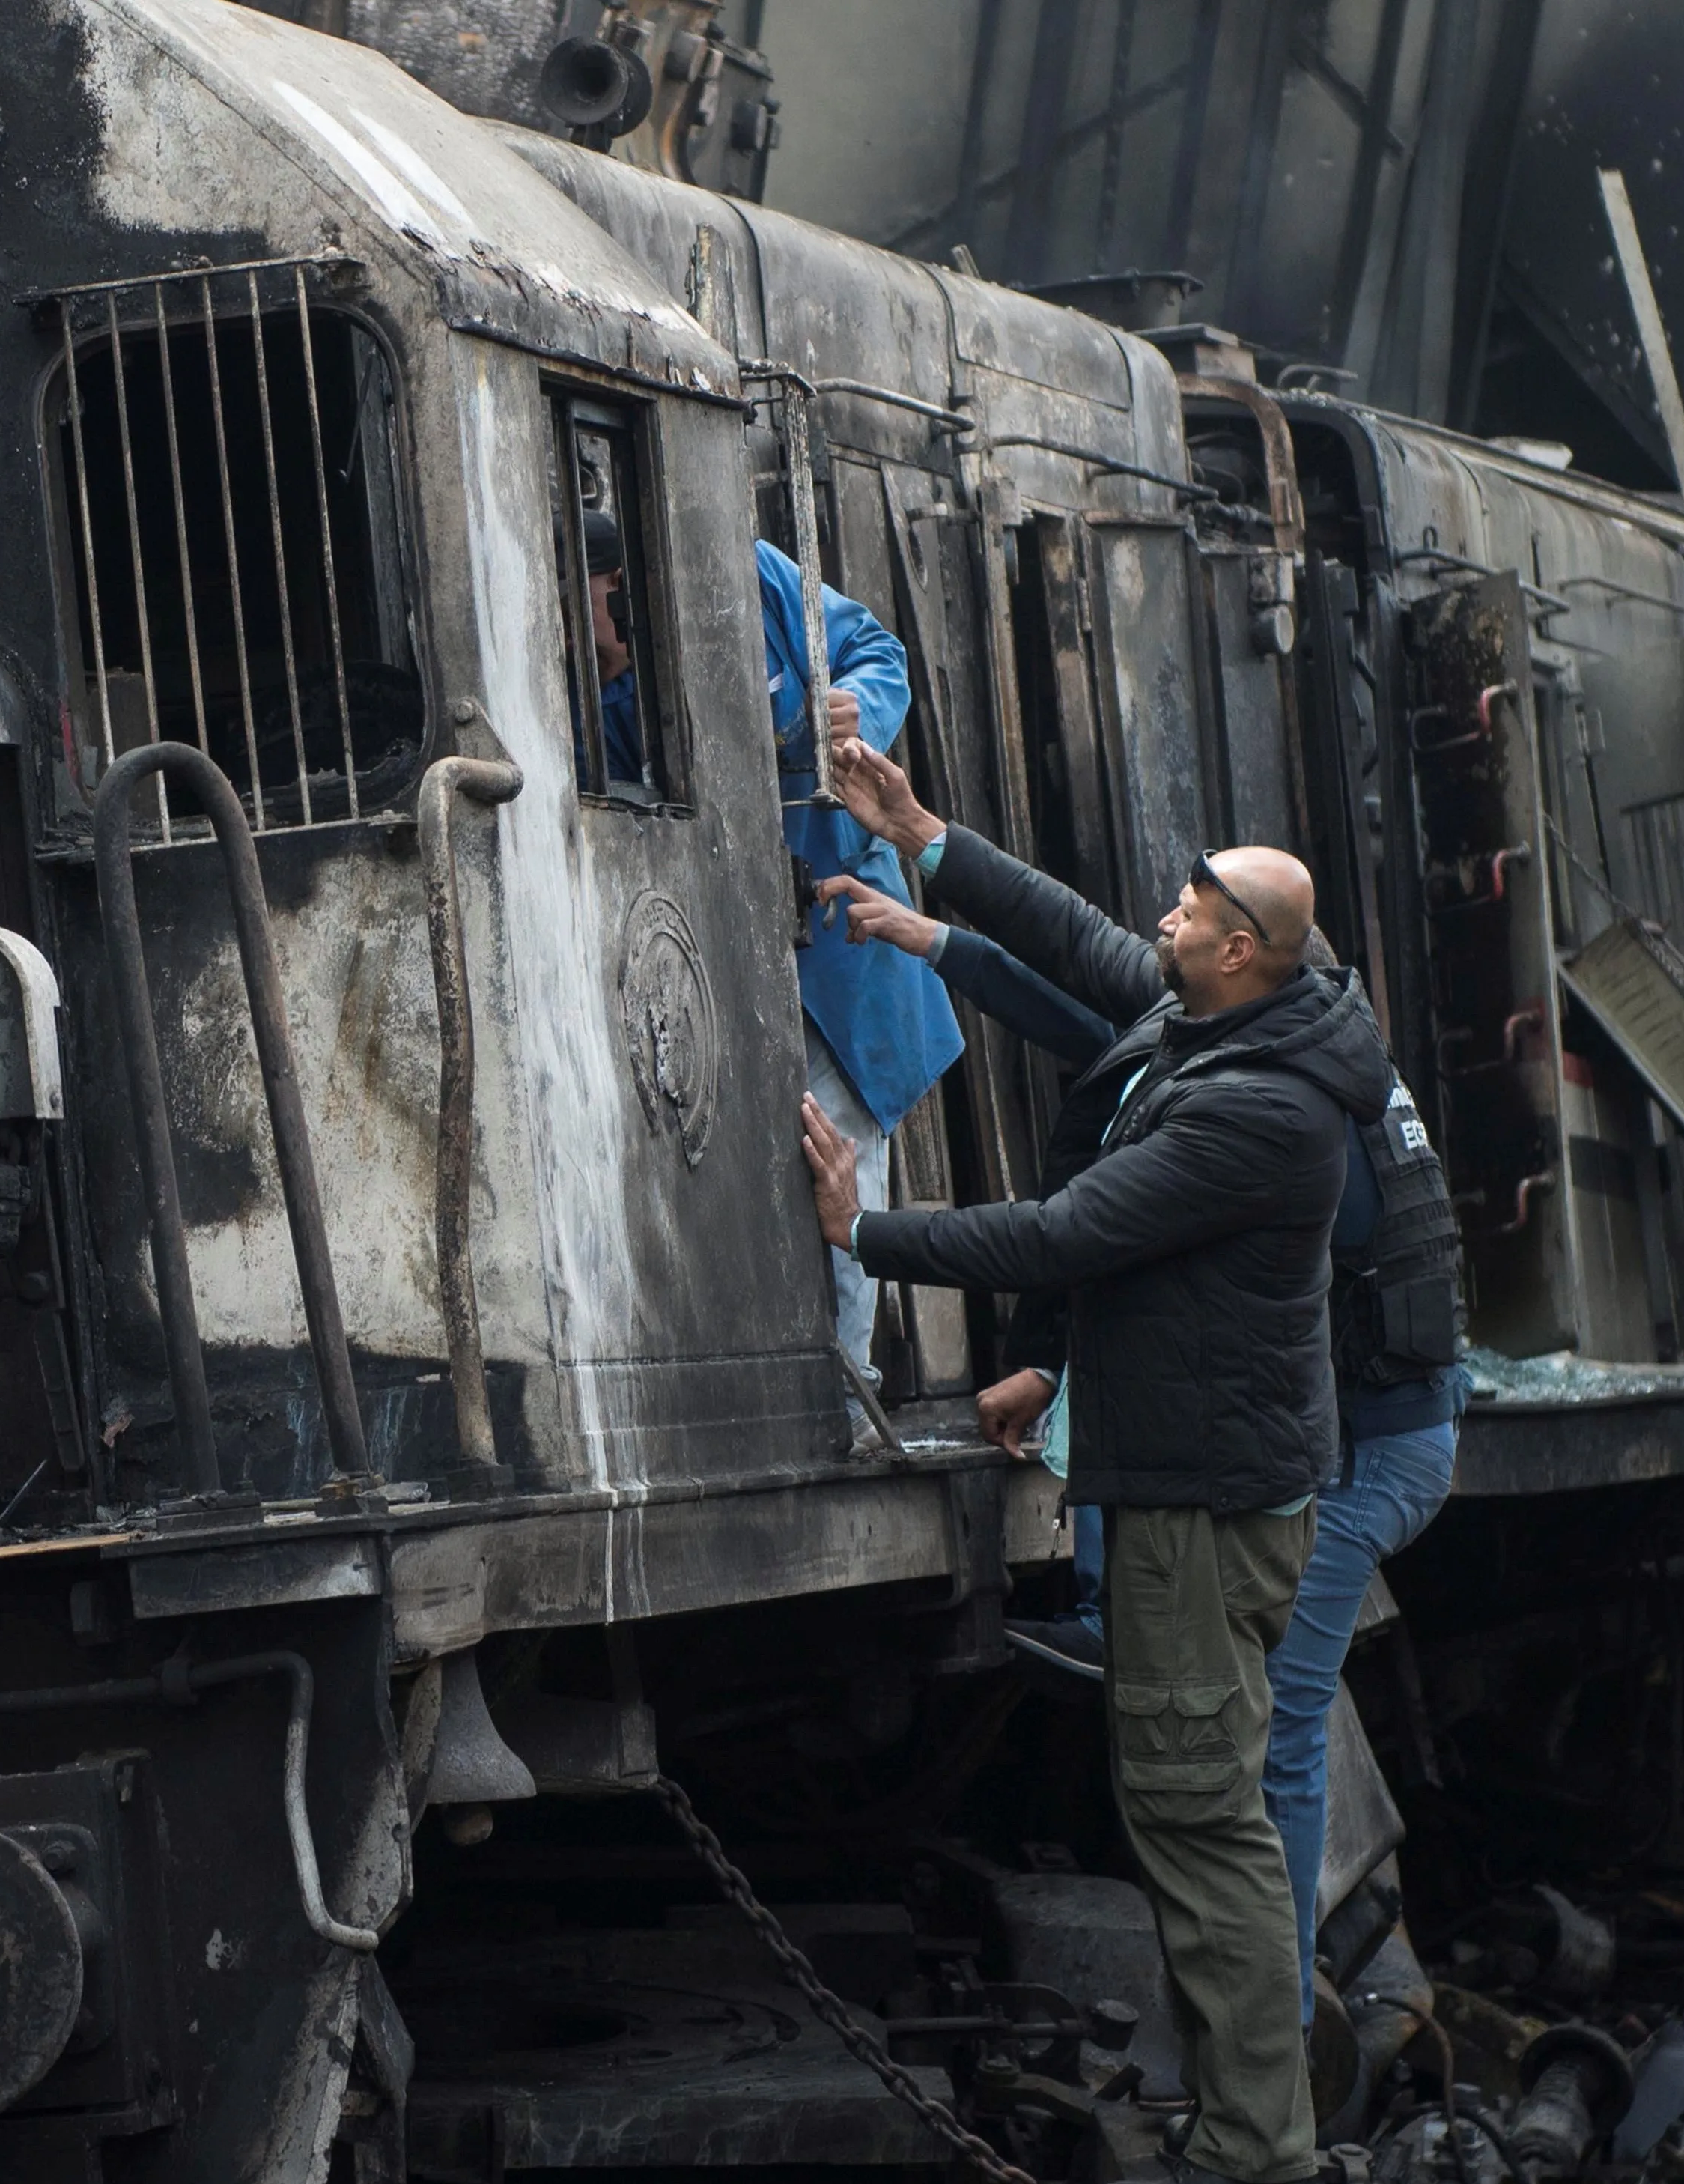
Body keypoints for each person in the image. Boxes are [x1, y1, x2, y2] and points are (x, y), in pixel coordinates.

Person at [810, 739, 1464, 2025]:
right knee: (1241, 1729)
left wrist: (862, 1233)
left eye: (1188, 916)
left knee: (1267, 1734)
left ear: (1239, 959)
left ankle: (1274, 2032)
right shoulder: (1256, 1015)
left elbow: (1079, 1235)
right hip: (1313, 1432)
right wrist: (924, 836)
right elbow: (1076, 952)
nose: (1159, 927)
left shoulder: (1275, 1113)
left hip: (1367, 1448)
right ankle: (1265, 2019)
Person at [592, 513, 966, 1375]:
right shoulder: (602, 702)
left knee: (836, 1152)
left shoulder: (749, 569)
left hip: (833, 942)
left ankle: (849, 1384)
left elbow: (878, 652)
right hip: (701, 962)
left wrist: (854, 708)